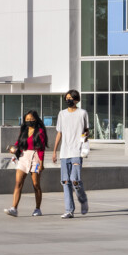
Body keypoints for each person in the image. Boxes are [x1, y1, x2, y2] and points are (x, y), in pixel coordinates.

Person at [50, 90, 89, 219]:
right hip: (64, 152)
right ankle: (69, 210)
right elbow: (59, 133)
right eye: (67, 98)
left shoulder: (82, 113)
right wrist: (55, 151)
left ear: (77, 100)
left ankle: (83, 200)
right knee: (65, 181)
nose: (68, 100)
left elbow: (86, 132)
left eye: (71, 98)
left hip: (77, 152)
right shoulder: (62, 114)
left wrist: (84, 145)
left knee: (75, 180)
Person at [5, 110, 48, 217]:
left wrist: (41, 163)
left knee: (36, 184)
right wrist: (13, 148)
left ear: (36, 119)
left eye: (31, 119)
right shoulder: (23, 130)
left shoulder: (40, 131)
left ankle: (37, 208)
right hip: (23, 157)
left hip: (36, 158)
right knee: (18, 183)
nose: (29, 121)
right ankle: (14, 208)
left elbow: (41, 149)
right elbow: (18, 143)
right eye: (27, 119)